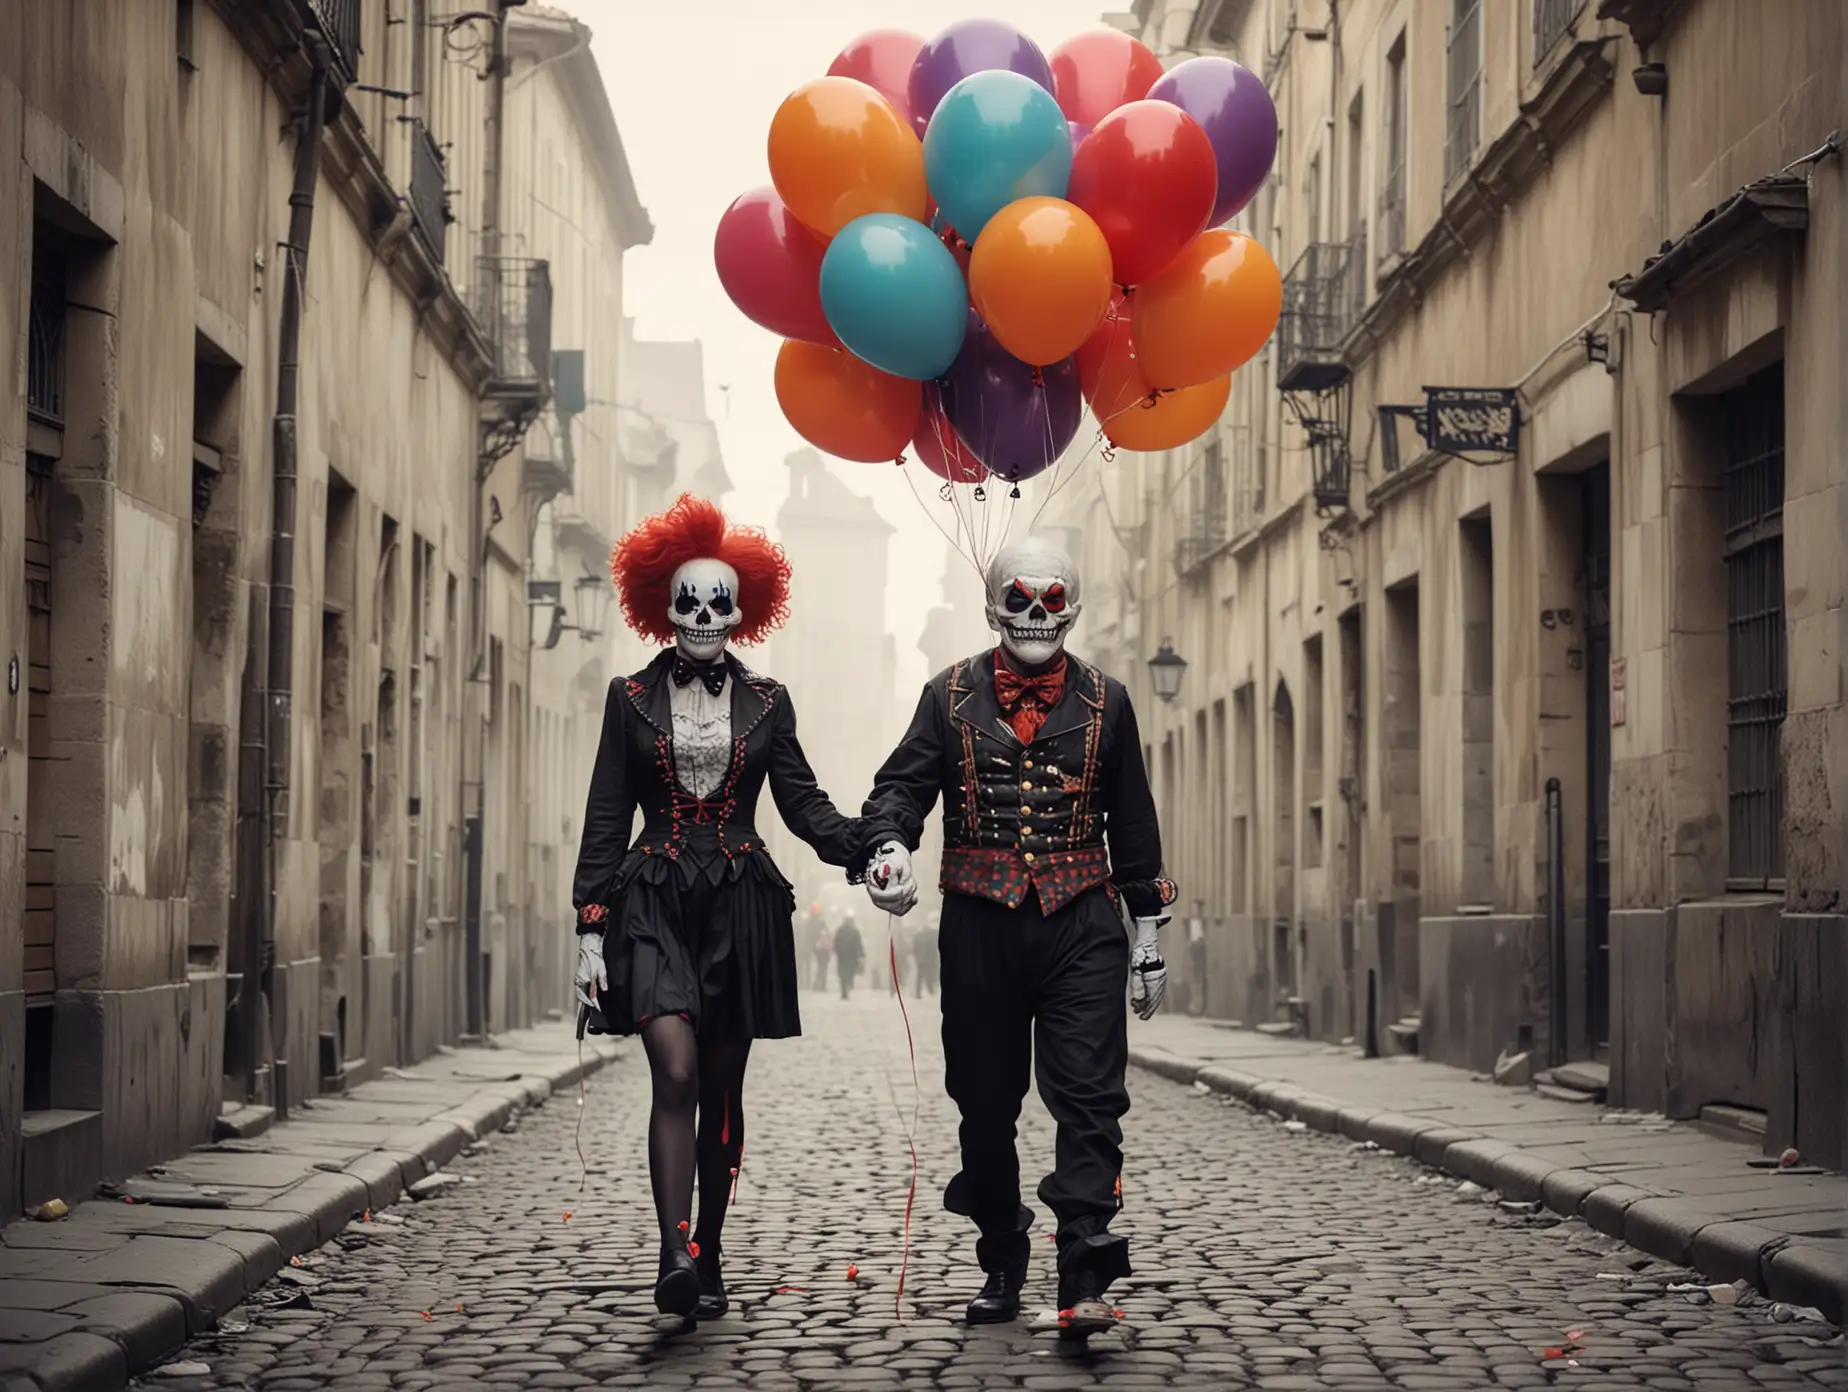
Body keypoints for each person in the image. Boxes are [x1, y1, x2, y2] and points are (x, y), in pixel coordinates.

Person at [858, 535, 1174, 1341]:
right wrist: (889, 844)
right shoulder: (947, 694)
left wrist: (1148, 935)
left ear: (1073, 606)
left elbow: (1133, 825)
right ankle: (1002, 1253)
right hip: (979, 923)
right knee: (985, 1103)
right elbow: (899, 787)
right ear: (995, 605)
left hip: (1080, 922)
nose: (1037, 617)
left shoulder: (1111, 698)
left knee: (1091, 1099)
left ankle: (1084, 1271)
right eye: (1022, 600)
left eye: (1053, 600)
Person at [571, 496, 871, 1324]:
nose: (703, 619)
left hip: (741, 903)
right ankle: (672, 1252)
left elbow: (805, 805)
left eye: (719, 605)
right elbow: (606, 816)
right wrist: (590, 929)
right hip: (653, 899)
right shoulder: (628, 698)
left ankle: (709, 1251)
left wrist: (869, 847)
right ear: (663, 609)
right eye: (688, 604)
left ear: (742, 614)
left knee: (723, 1092)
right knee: (673, 1070)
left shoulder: (769, 701)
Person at [833, 913, 864, 999]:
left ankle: (844, 991)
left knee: (843, 974)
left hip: (842, 955)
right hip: (851, 955)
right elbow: (859, 943)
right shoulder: (854, 931)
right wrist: (861, 954)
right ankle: (849, 985)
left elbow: (836, 942)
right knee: (850, 972)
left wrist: (836, 951)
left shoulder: (840, 930)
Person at [912, 912, 940, 997]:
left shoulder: (918, 934)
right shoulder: (932, 934)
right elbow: (933, 946)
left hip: (920, 958)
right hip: (929, 958)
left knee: (920, 976)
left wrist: (916, 956)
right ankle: (930, 990)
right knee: (929, 974)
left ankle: (918, 993)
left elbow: (915, 947)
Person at [811, 921, 832, 993]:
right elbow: (829, 945)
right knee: (824, 970)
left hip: (820, 954)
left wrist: (815, 952)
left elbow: (816, 945)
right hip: (825, 954)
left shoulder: (819, 934)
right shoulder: (827, 934)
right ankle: (823, 985)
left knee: (820, 969)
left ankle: (818, 985)